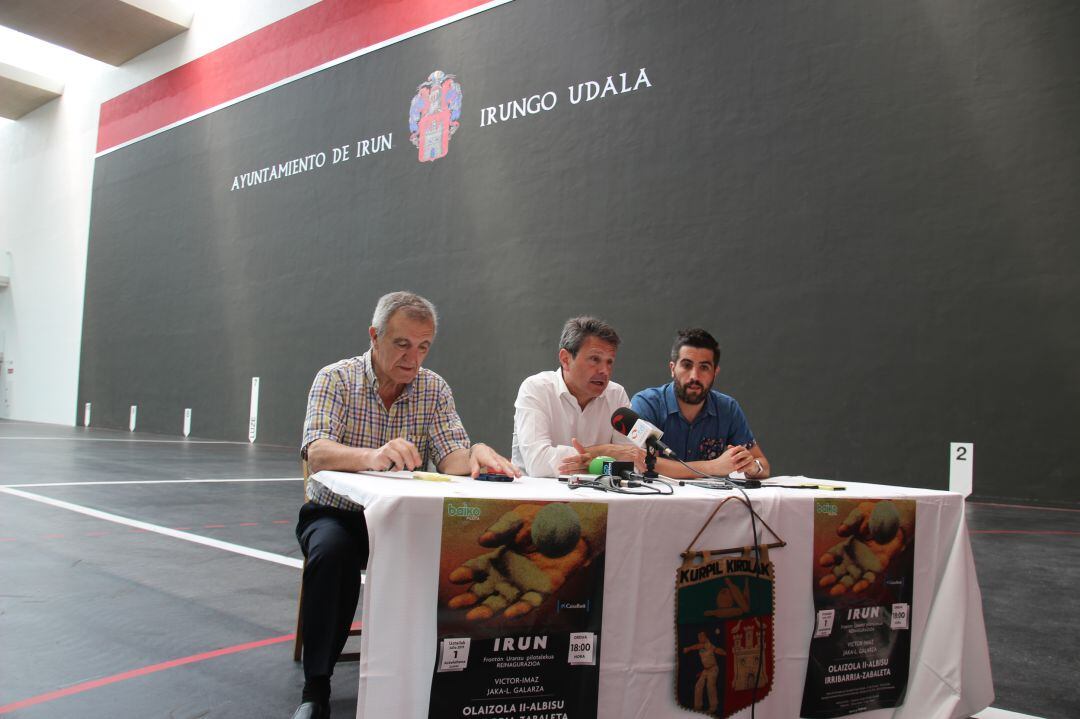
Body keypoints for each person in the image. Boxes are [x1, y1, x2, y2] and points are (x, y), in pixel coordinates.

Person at [292, 291, 518, 719]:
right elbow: (316, 451)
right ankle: (315, 689)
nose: (414, 359)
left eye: (423, 347)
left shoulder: (433, 388)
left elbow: (452, 457)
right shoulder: (336, 379)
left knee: (469, 551)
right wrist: (372, 457)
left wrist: (477, 454)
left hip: (405, 521)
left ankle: (450, 674)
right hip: (338, 514)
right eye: (402, 344)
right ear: (374, 336)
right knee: (331, 554)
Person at [511, 316, 644, 477]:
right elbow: (538, 464)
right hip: (537, 497)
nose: (605, 371)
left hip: (600, 495)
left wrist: (591, 459)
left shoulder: (616, 394)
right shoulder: (536, 389)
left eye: (609, 362)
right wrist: (604, 451)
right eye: (595, 359)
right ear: (565, 359)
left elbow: (631, 460)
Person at [630, 328, 770, 479]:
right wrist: (713, 466)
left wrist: (753, 467)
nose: (694, 376)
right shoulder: (645, 404)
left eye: (704, 367)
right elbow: (639, 460)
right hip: (658, 499)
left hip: (714, 502)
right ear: (672, 369)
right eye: (687, 365)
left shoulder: (728, 408)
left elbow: (764, 465)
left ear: (715, 372)